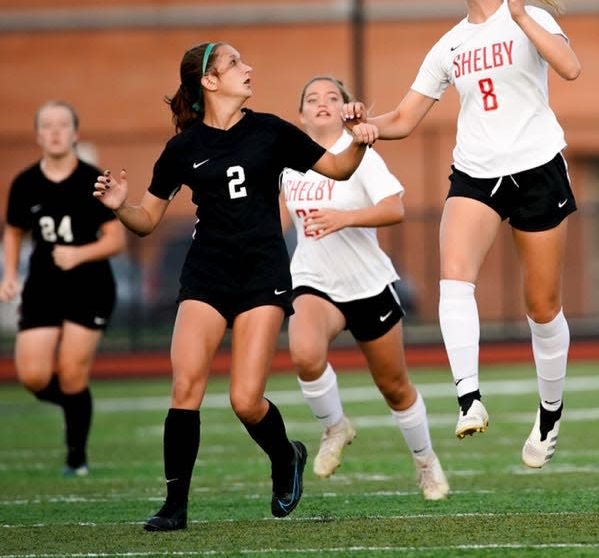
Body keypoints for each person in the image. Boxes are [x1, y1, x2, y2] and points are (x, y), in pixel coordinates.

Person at [93, 42, 378, 531]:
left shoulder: (269, 130)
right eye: (234, 64)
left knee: (246, 400)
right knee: (185, 387)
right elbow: (145, 220)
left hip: (261, 272)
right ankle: (174, 507)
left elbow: (339, 168)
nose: (247, 68)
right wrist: (121, 205)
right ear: (209, 82)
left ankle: (286, 456)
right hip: (207, 272)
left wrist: (359, 139)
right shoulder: (183, 148)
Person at [345, 0, 588, 469]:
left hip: (538, 167)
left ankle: (550, 412)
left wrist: (523, 15)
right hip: (476, 174)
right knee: (454, 278)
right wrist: (367, 128)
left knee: (542, 306)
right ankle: (468, 397)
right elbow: (405, 119)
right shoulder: (449, 44)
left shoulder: (532, 18)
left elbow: (570, 69)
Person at [281, 76, 450, 501]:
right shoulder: (286, 164)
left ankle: (426, 463)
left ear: (345, 109)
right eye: (312, 98)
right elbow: (277, 221)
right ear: (300, 115)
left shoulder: (359, 154)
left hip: (367, 284)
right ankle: (335, 427)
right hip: (312, 280)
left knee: (394, 386)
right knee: (303, 353)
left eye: (332, 97)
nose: (321, 103)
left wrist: (344, 218)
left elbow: (395, 209)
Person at [0, 100, 126, 476]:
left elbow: (115, 239)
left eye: (62, 125)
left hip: (90, 286)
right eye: (47, 126)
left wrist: (79, 253)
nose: (55, 132)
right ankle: (76, 404)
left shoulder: (93, 179)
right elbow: (14, 230)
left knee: (72, 372)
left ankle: (77, 457)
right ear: (38, 134)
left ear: (74, 132)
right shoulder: (25, 183)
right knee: (34, 375)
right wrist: (9, 275)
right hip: (43, 286)